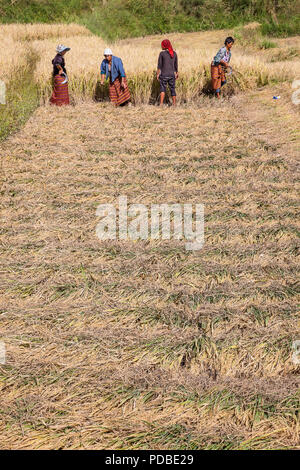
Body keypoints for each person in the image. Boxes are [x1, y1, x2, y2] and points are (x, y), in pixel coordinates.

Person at [157, 39, 178, 106]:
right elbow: (176, 65)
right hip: (172, 75)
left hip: (164, 75)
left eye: (162, 45)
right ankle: (174, 104)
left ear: (164, 46)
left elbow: (159, 65)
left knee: (163, 89)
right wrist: (176, 73)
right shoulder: (174, 53)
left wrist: (157, 74)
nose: (161, 46)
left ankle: (161, 104)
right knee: (172, 89)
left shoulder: (162, 54)